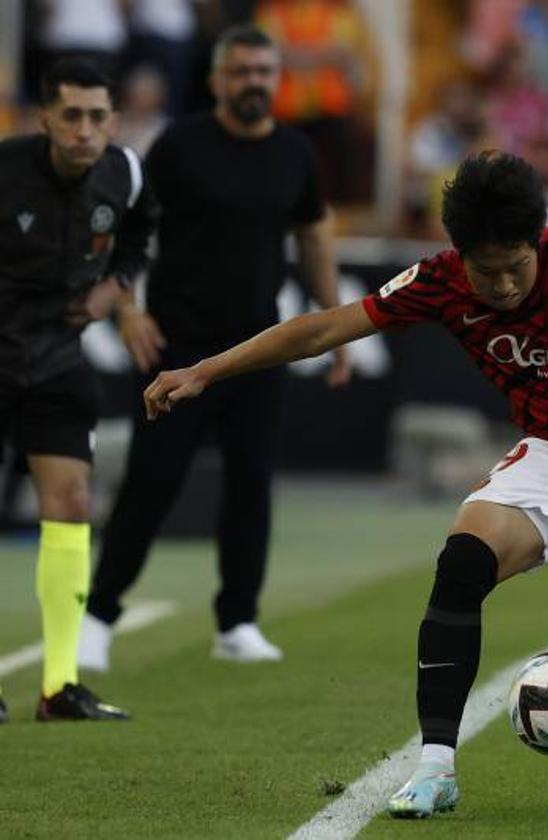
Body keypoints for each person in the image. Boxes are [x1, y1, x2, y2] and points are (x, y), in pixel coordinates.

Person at [138, 150, 548, 817]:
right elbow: (323, 327)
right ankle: (436, 768)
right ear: (458, 253)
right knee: (462, 562)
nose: (501, 285)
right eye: (485, 270)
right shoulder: (438, 282)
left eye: (515, 268)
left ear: (536, 245)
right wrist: (204, 372)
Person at [79, 25, 350, 670]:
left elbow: (313, 234)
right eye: (242, 71)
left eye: (264, 71)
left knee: (251, 486)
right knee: (151, 484)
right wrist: (128, 308)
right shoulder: (181, 146)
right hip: (176, 348)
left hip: (259, 351)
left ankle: (238, 622)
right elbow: (126, 226)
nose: (254, 81)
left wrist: (337, 327)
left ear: (276, 77)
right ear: (216, 79)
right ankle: (98, 616)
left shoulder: (295, 152)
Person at [0, 57, 154, 721]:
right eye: (71, 116)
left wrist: (115, 292)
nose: (85, 130)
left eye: (97, 117)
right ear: (45, 119)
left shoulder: (127, 171)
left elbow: (139, 233)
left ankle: (58, 686)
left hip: (59, 360)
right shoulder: (5, 172)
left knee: (71, 503)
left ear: (113, 121)